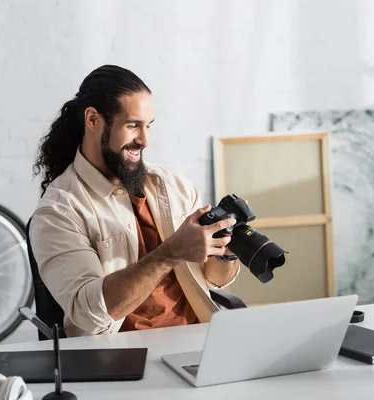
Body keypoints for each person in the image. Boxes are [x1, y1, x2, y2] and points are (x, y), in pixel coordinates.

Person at [30, 65, 240, 337]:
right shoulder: (59, 211)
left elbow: (213, 280)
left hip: (199, 339)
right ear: (93, 120)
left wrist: (226, 246)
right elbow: (89, 315)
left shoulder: (173, 185)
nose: (144, 140)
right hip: (119, 358)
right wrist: (170, 253)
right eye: (132, 126)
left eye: (148, 126)